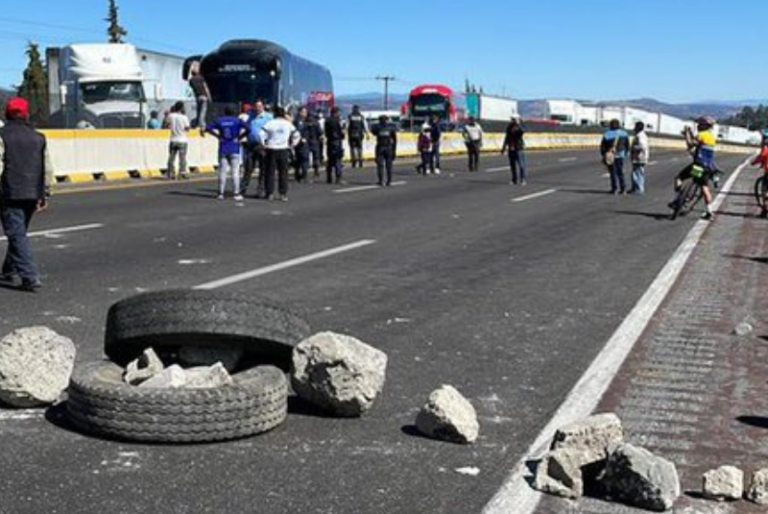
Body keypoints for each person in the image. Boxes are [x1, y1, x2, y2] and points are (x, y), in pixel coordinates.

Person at [0, 97, 53, 292]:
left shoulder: (2, 135)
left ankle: (28, 275)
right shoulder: (38, 137)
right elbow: (47, 167)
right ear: (26, 113)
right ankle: (8, 269)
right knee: (19, 232)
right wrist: (45, 193)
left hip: (10, 192)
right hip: (32, 192)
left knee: (16, 234)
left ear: (7, 113)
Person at [670, 116, 719, 220]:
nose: (698, 126)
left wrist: (687, 134)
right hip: (707, 166)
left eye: (699, 124)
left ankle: (678, 200)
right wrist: (690, 136)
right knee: (704, 187)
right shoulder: (711, 137)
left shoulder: (702, 135)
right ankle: (710, 211)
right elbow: (697, 146)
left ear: (704, 125)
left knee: (678, 178)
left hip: (698, 165)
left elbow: (690, 144)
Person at [205, 107, 249, 201]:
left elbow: (208, 128)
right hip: (234, 147)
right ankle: (236, 193)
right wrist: (240, 137)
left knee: (222, 171)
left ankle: (221, 193)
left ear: (225, 112)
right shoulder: (237, 120)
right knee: (235, 172)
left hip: (223, 147)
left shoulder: (219, 120)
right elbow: (249, 129)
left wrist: (217, 136)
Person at [260, 106, 300, 201]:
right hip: (283, 149)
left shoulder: (270, 123)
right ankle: (283, 194)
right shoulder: (288, 124)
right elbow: (296, 134)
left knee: (270, 172)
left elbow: (261, 133)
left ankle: (269, 193)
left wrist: (264, 143)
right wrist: (292, 145)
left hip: (271, 148)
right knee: (283, 172)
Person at [241, 100, 273, 197]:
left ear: (263, 106)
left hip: (262, 145)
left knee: (263, 169)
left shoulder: (268, 117)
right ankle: (242, 189)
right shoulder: (250, 116)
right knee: (248, 168)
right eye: (256, 106)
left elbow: (271, 130)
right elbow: (246, 127)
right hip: (251, 144)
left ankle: (260, 190)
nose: (257, 108)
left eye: (259, 106)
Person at [600, 119, 630, 194]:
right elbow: (627, 145)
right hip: (621, 155)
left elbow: (603, 147)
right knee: (620, 172)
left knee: (613, 172)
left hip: (610, 156)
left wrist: (604, 155)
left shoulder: (607, 134)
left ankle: (615, 188)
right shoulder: (624, 133)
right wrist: (626, 153)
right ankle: (623, 189)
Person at [166, 101, 191, 180]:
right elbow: (187, 128)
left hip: (173, 139)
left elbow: (167, 125)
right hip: (182, 140)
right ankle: (182, 172)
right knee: (182, 157)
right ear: (181, 108)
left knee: (171, 157)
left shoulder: (171, 116)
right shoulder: (184, 117)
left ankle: (170, 173)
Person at [371, 114, 398, 186]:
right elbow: (395, 140)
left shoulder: (377, 127)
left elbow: (373, 132)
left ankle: (381, 181)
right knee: (389, 165)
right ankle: (389, 181)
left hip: (380, 147)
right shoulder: (391, 127)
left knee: (380, 165)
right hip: (389, 147)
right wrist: (394, 150)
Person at [501, 116, 526, 185]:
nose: (512, 121)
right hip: (511, 148)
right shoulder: (509, 127)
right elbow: (506, 137)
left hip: (519, 148)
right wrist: (503, 147)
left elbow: (522, 131)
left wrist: (519, 124)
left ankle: (522, 179)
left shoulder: (519, 127)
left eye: (514, 119)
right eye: (512, 119)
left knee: (521, 165)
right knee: (512, 165)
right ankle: (514, 179)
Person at [325, 107, 345, 184]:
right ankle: (338, 178)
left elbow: (326, 132)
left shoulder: (327, 121)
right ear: (335, 113)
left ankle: (329, 178)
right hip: (337, 141)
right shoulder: (337, 121)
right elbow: (341, 132)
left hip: (330, 141)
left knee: (330, 160)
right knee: (337, 160)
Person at [293, 106, 313, 183]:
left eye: (306, 112)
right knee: (300, 159)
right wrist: (300, 138)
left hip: (306, 143)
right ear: (300, 112)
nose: (305, 113)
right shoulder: (297, 122)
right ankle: (299, 175)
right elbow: (295, 131)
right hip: (299, 142)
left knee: (304, 159)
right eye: (303, 112)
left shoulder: (308, 121)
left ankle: (303, 176)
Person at [630, 121, 649, 194]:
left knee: (638, 173)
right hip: (638, 157)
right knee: (636, 172)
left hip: (640, 157)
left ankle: (639, 189)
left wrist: (633, 147)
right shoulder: (640, 135)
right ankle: (635, 188)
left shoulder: (640, 136)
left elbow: (642, 146)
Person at [752, 134, 768, 217]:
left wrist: (753, 163)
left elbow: (760, 157)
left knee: (764, 191)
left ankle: (764, 211)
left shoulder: (766, 148)